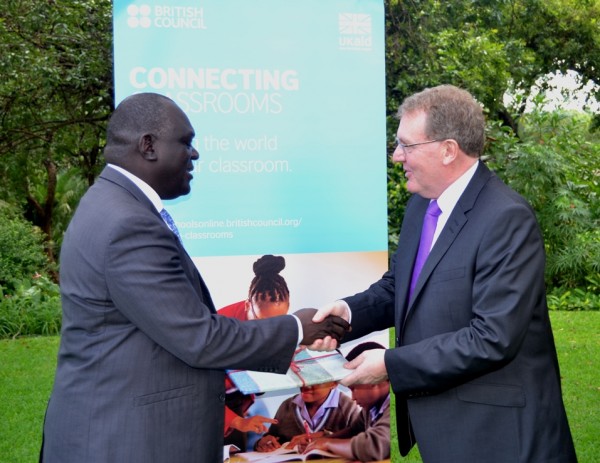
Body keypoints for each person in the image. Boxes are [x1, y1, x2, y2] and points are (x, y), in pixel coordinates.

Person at [39, 92, 349, 463]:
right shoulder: (128, 223)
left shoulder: (112, 204)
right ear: (149, 146)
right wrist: (297, 328)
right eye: (186, 143)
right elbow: (199, 337)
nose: (196, 154)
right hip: (126, 440)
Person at [311, 85, 577, 462]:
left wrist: (389, 364)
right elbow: (401, 288)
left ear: (448, 149)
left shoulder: (506, 219)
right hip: (447, 431)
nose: (396, 156)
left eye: (407, 145)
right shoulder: (421, 208)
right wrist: (348, 314)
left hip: (500, 437)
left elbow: (492, 338)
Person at [219, 254, 291, 450]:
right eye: (262, 322)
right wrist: (236, 422)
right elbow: (197, 389)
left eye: (277, 323)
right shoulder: (219, 328)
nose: (269, 331)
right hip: (210, 405)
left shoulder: (285, 324)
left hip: (238, 404)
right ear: (247, 305)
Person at [303, 341, 390, 462]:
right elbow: (353, 431)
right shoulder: (370, 409)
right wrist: (321, 440)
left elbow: (376, 445)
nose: (353, 397)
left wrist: (328, 444)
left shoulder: (397, 406)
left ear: (373, 381)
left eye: (353, 389)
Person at [254, 380, 360, 452]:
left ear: (334, 383)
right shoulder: (287, 406)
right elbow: (271, 440)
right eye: (302, 375)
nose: (306, 383)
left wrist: (327, 437)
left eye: (316, 378)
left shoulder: (349, 407)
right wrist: (261, 444)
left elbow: (363, 444)